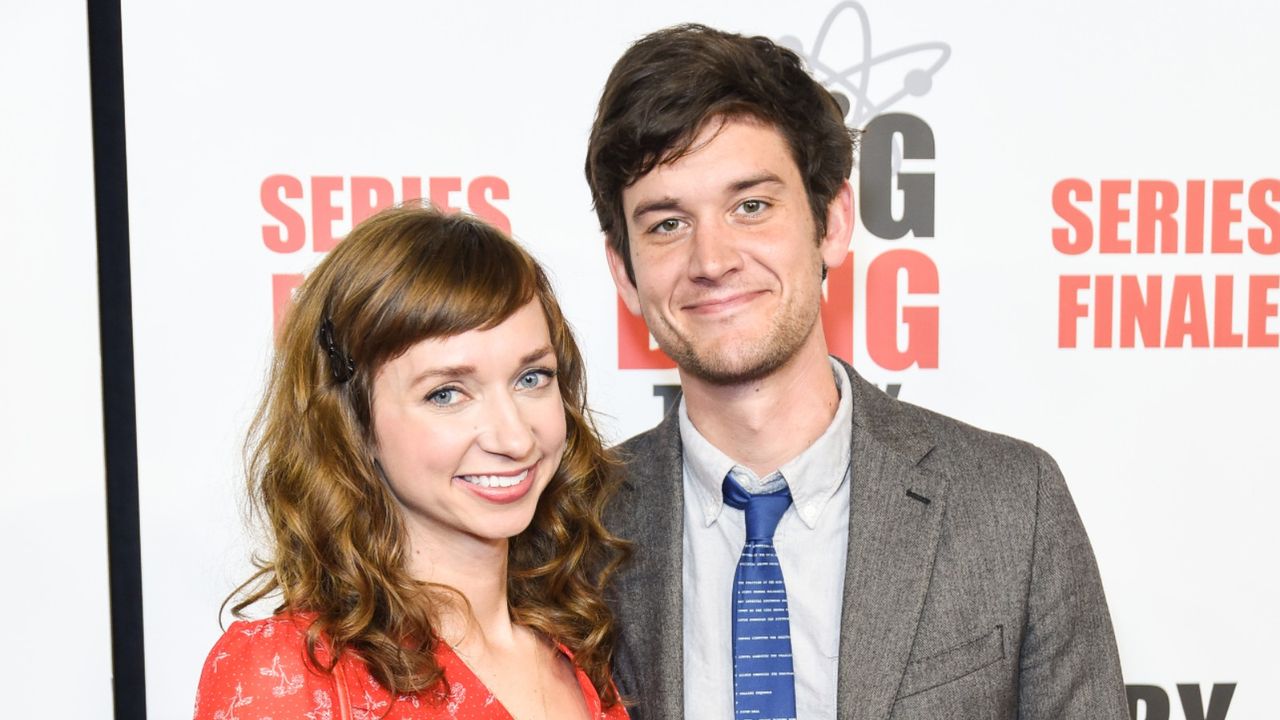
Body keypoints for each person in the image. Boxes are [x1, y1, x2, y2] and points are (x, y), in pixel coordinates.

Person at [584, 24, 1128, 720]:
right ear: (624, 274)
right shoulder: (572, 533)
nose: (712, 258)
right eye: (666, 223)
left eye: (751, 206)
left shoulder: (1012, 507)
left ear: (833, 222)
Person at [193, 205, 630, 720]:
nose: (514, 437)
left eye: (531, 378)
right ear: (355, 422)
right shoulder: (292, 674)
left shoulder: (584, 648)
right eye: (447, 394)